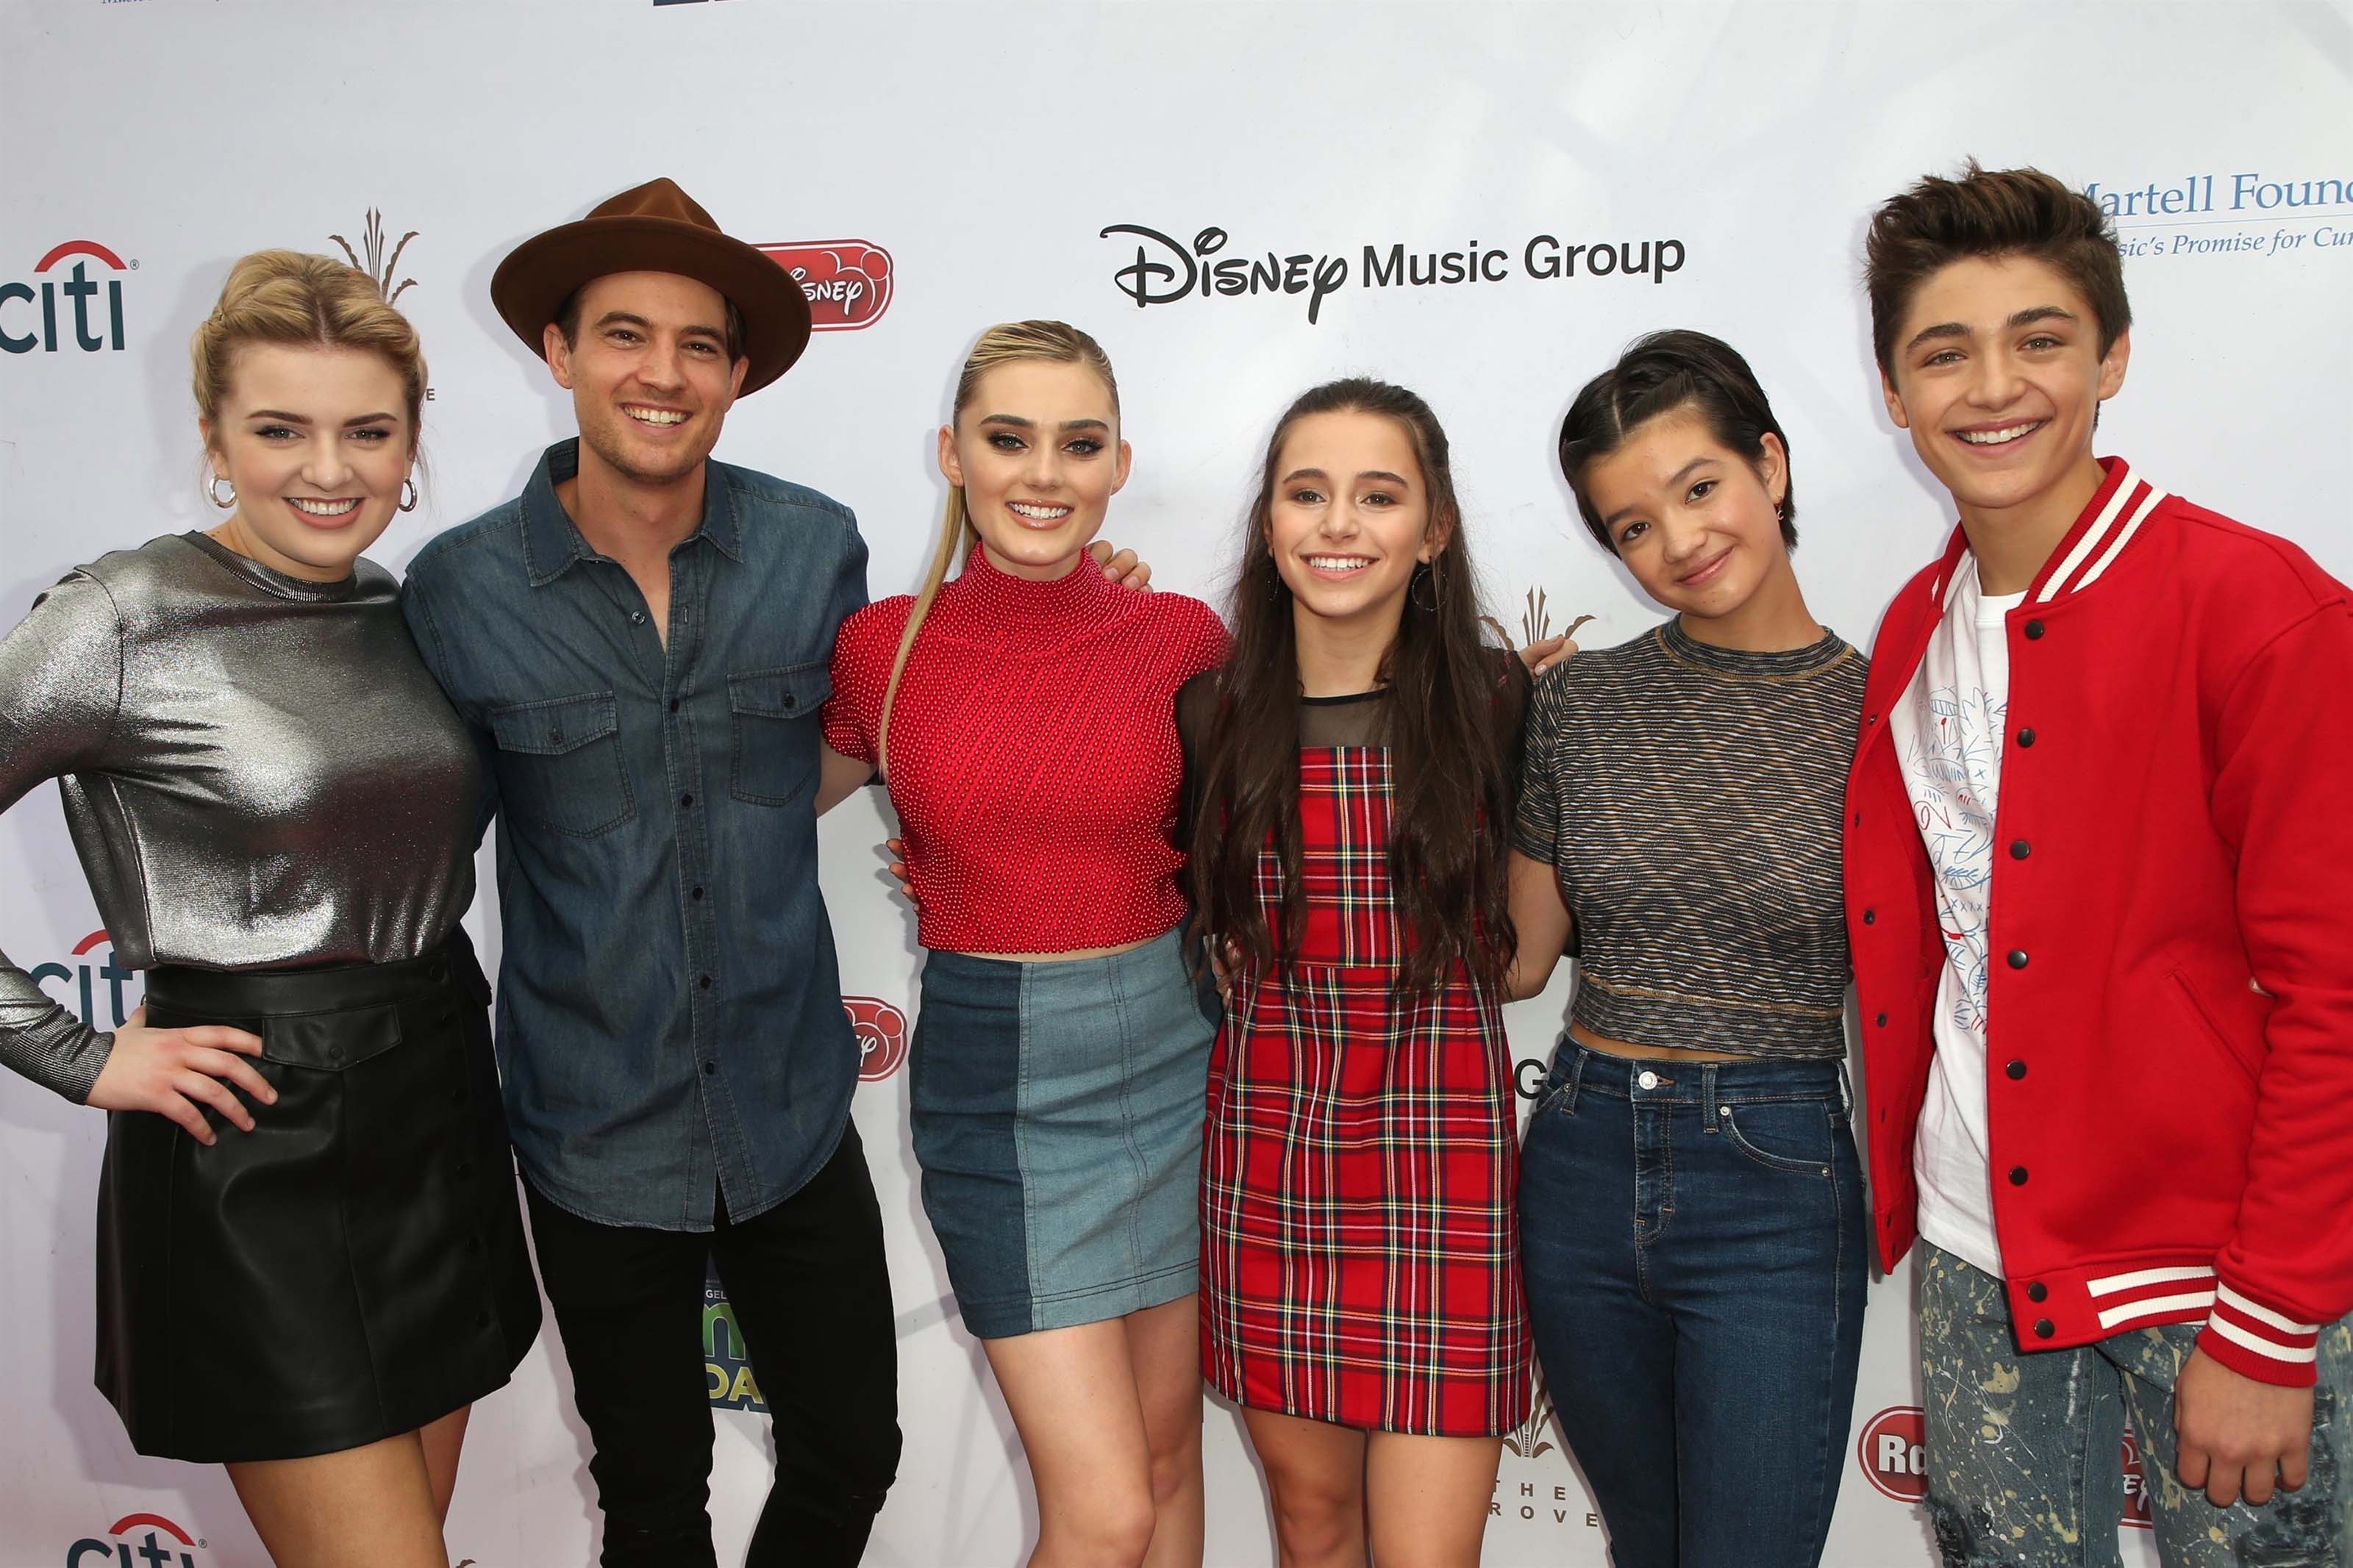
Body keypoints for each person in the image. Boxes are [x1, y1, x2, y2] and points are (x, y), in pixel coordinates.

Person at [0, 251, 539, 1568]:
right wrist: (69, 1050)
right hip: (257, 1139)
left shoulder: (405, 610)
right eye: (280, 429)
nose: (328, 469)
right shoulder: (120, 617)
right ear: (213, 439)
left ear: (413, 442)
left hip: (438, 1102)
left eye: (368, 429)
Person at [1847, 162, 2353, 1566]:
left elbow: (2339, 993)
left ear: (2113, 356)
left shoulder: (2256, 606)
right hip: (1972, 1247)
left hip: (2217, 1272)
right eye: (1942, 352)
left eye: (2041, 338)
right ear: (1894, 392)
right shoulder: (1912, 625)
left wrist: (2270, 1321)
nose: (1992, 386)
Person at [821, 320, 1228, 1568]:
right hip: (997, 1087)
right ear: (953, 453)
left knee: (1165, 1469)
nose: (1043, 473)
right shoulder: (884, 648)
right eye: (1010, 439)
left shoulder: (1184, 641)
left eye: (1078, 443)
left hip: (1173, 1055)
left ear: (1118, 464)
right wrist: (951, 849)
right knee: (1102, 1513)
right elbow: (759, 816)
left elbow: (1259, 838)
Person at [1506, 331, 1868, 1568]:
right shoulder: (1580, 701)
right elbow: (1515, 960)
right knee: (1650, 1550)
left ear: (1769, 462)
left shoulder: (1886, 713)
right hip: (1582, 1160)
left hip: (1776, 1177)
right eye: (1631, 527)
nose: (1678, 541)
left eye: (1699, 486)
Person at [1180, 378, 1531, 1568]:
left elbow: (1525, 945)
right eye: (1307, 493)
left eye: (1378, 495)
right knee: (1314, 1527)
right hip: (1271, 1145)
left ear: (1433, 529)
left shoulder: (1495, 698)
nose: (1339, 523)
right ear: (1269, 524)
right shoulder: (1208, 710)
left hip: (1448, 1153)